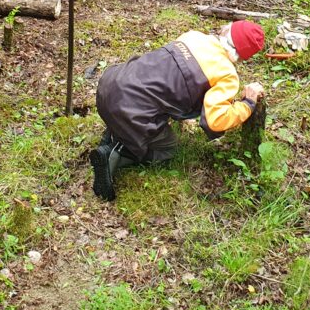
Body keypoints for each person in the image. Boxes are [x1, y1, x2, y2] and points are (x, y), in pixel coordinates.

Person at [90, 20, 266, 200]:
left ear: (226, 29)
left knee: (144, 101)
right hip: (130, 110)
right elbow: (216, 121)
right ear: (243, 57)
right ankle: (117, 154)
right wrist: (248, 104)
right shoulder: (227, 75)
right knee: (168, 149)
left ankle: (117, 130)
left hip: (110, 84)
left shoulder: (194, 36)